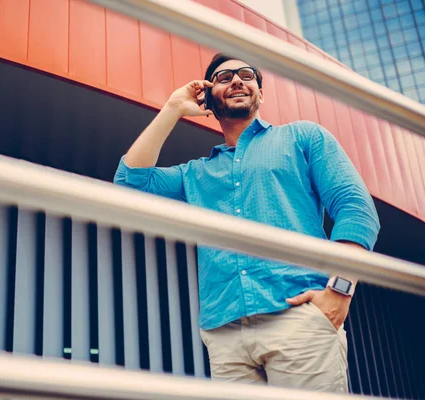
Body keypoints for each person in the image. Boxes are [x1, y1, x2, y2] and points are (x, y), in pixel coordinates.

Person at [113, 53, 380, 392]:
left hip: (299, 318)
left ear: (260, 92)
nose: (237, 80)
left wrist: (340, 289)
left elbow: (355, 207)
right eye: (224, 78)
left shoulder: (303, 138)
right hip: (224, 334)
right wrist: (173, 108)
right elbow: (129, 182)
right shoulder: (195, 174)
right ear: (208, 99)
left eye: (246, 74)